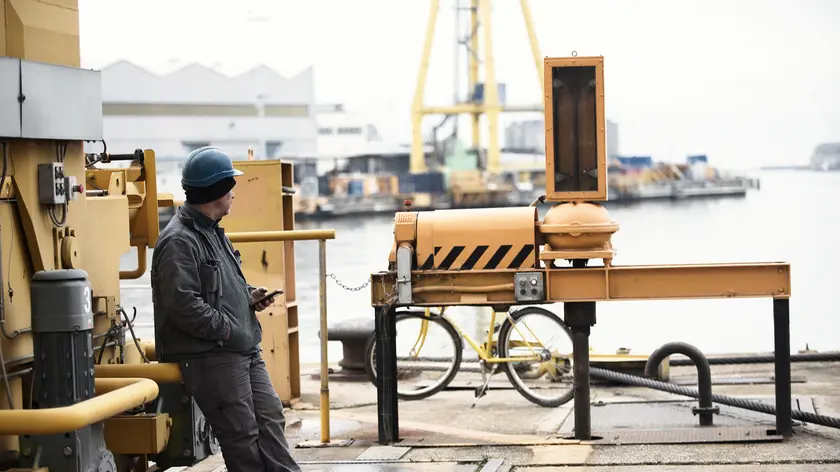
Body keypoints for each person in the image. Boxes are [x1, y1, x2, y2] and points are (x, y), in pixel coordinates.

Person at [150, 146, 301, 472]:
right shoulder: (179, 241)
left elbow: (217, 286)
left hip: (243, 349)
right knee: (242, 436)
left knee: (271, 419)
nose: (234, 192)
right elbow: (184, 306)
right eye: (230, 185)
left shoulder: (211, 230)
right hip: (213, 356)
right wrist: (229, 328)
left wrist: (247, 297)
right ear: (216, 190)